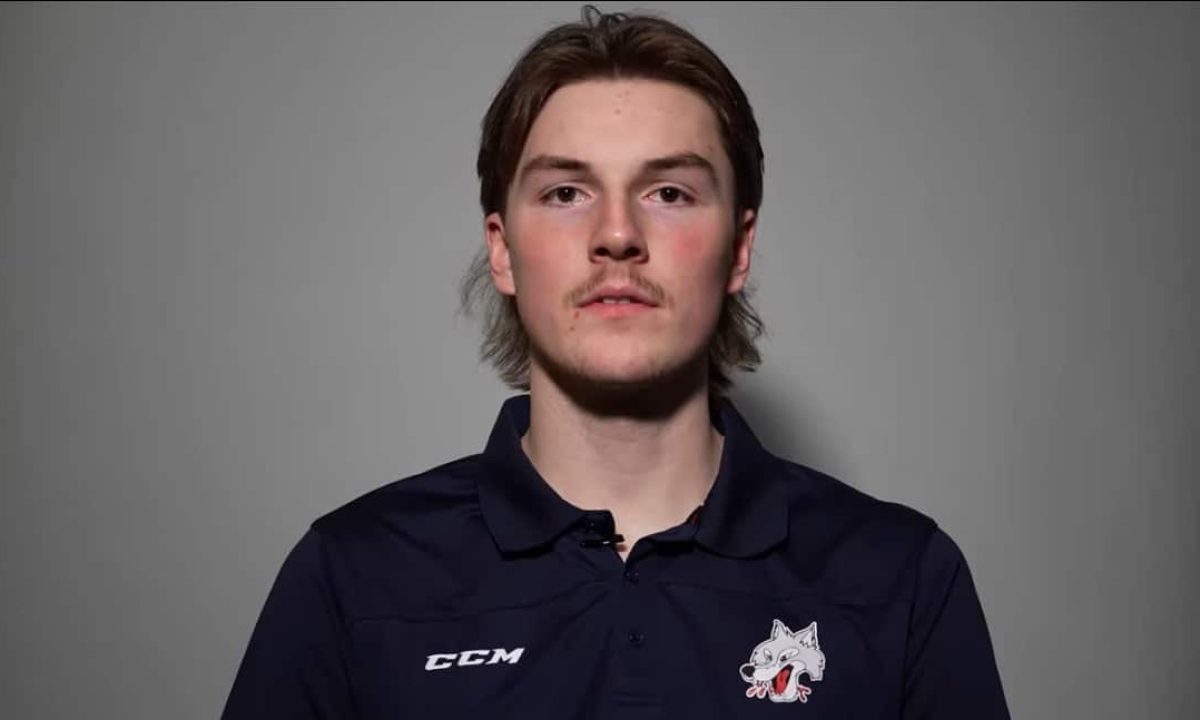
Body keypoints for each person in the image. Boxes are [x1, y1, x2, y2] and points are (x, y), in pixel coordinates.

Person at [222, 5, 1010, 718]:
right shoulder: (354, 577)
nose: (618, 235)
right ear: (502, 250)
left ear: (738, 249)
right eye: (566, 193)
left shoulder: (900, 579)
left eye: (669, 192)